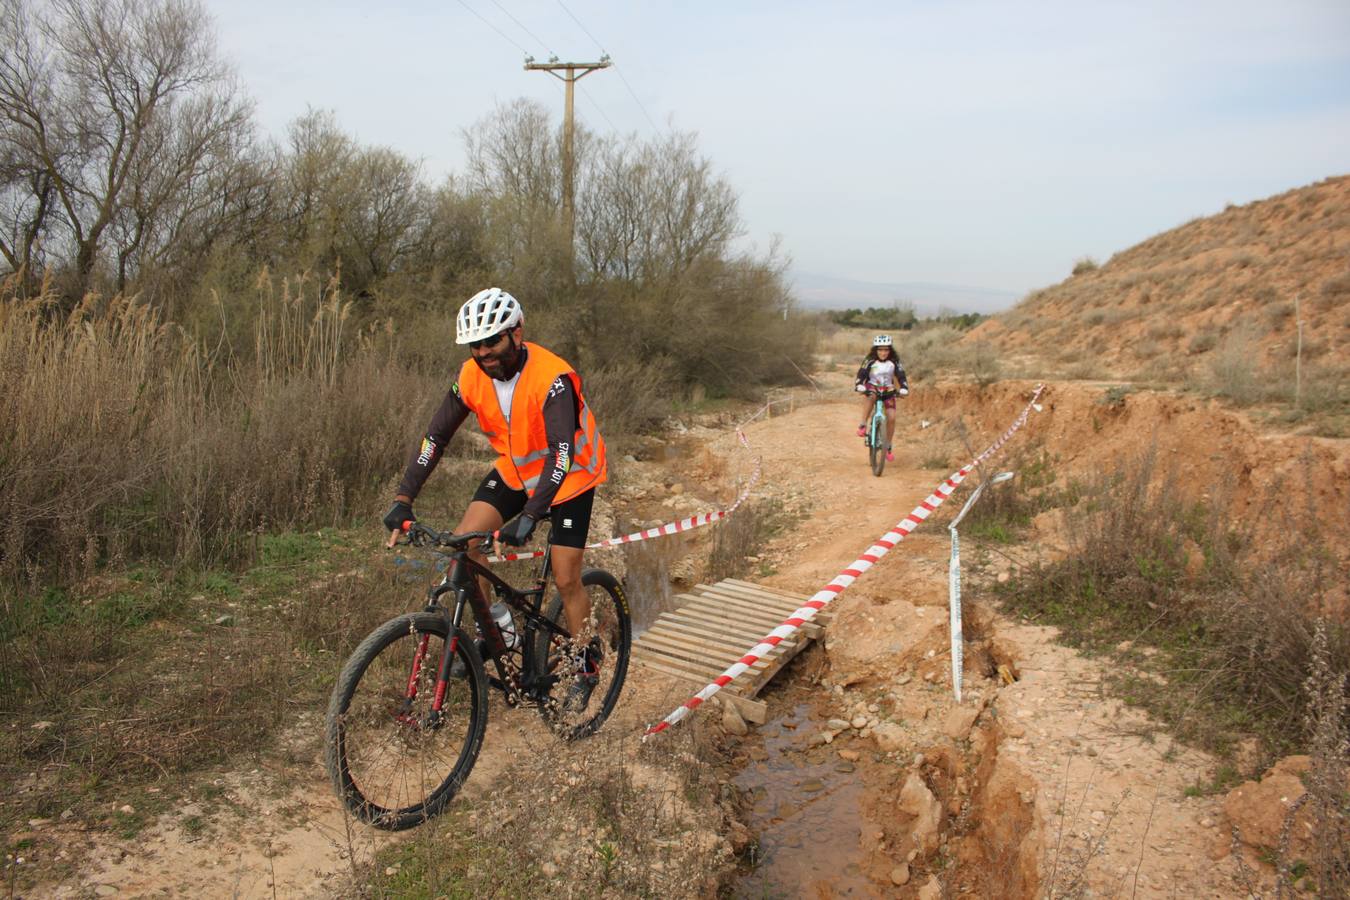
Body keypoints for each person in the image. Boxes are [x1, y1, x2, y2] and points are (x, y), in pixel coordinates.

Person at [382, 287, 608, 712]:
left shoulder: (553, 378)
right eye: (476, 345)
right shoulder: (470, 376)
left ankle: (587, 663)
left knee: (564, 576)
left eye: (493, 341)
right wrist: (403, 498)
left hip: (571, 475)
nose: (484, 352)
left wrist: (531, 517)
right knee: (467, 543)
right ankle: (503, 635)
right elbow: (435, 439)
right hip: (517, 469)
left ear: (517, 333)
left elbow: (561, 452)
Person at [854, 334, 909, 462]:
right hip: (872, 386)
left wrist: (904, 387)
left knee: (892, 417)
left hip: (888, 390)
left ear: (890, 350)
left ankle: (888, 445)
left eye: (886, 350)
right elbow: (861, 374)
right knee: (871, 396)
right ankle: (863, 425)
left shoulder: (894, 361)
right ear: (875, 350)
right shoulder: (869, 360)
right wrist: (859, 385)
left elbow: (901, 375)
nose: (883, 353)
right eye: (880, 349)